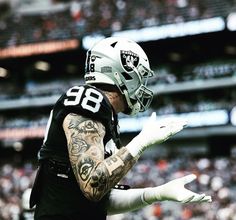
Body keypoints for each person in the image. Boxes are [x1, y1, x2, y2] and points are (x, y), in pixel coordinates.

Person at [29, 37, 211, 220]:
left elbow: (101, 200)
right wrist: (141, 142)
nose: (142, 86)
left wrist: (157, 193)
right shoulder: (88, 100)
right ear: (123, 74)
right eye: (140, 76)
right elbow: (93, 184)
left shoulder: (105, 113)